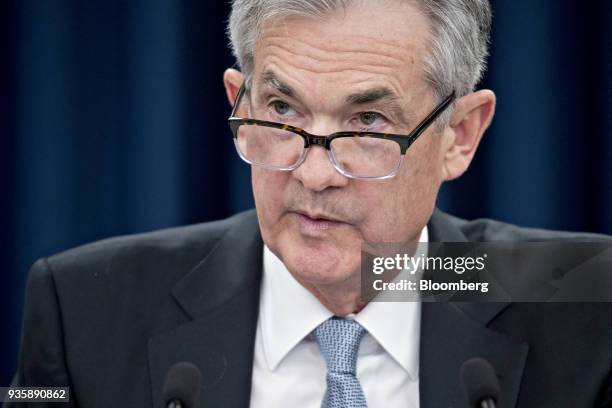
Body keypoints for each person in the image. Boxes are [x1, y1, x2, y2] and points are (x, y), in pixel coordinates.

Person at [7, 0, 612, 407]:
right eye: (282, 111)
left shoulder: (584, 300)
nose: (315, 173)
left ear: (460, 135)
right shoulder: (81, 306)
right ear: (238, 104)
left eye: (368, 122)